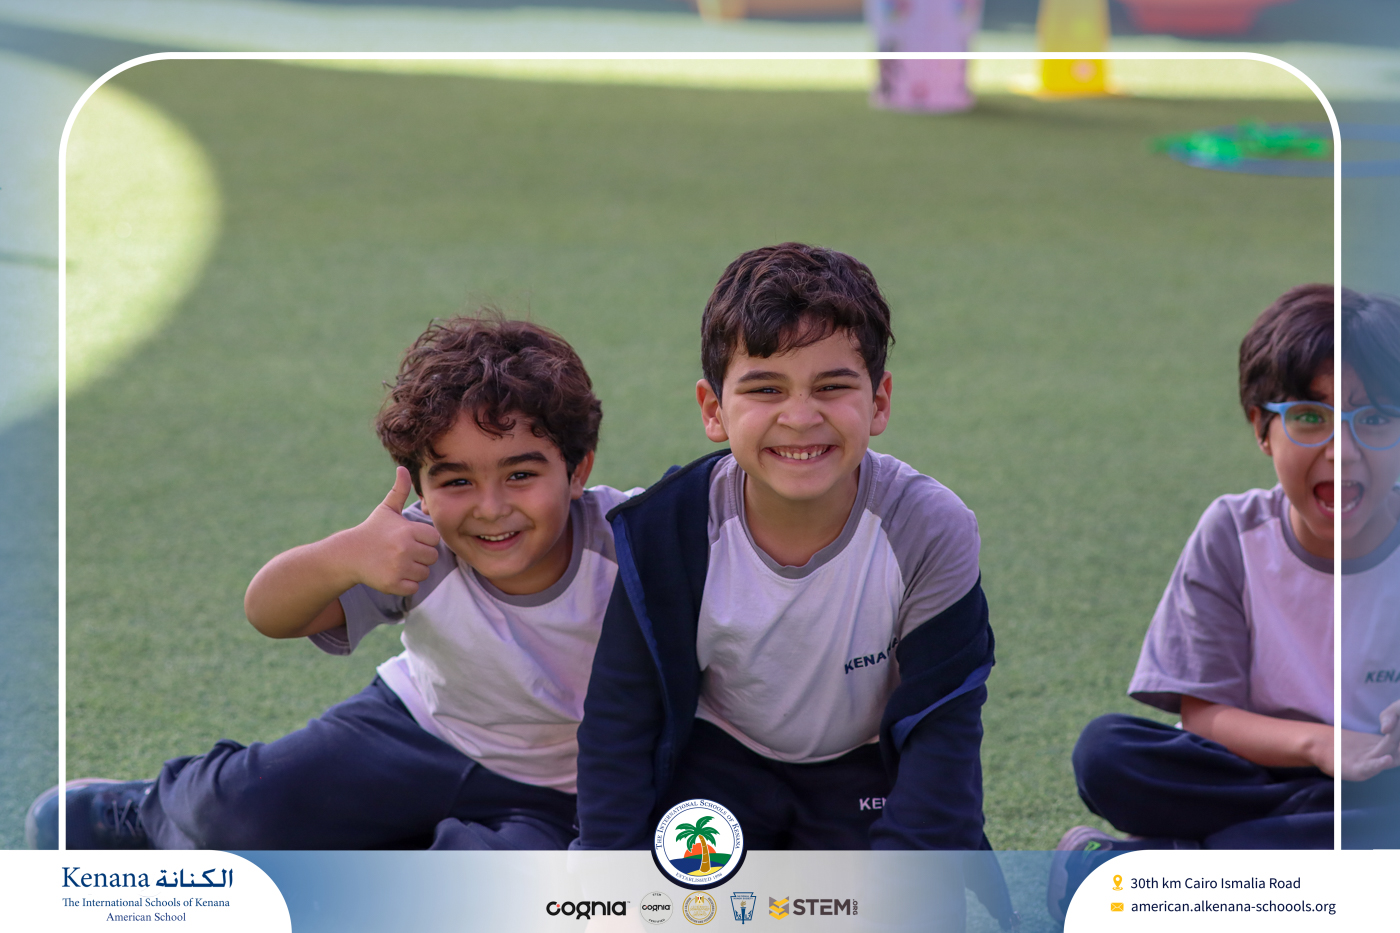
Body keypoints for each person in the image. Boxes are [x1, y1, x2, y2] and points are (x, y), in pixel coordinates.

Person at [28, 315, 635, 850]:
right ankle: (154, 809)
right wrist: (345, 557)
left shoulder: (633, 545)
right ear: (422, 490)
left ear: (577, 470)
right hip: (413, 730)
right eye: (456, 481)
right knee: (240, 813)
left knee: (490, 893)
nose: (491, 507)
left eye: (520, 474)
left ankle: (398, 847)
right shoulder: (416, 544)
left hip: (558, 793)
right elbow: (268, 612)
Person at [575, 243, 996, 855]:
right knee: (687, 901)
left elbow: (943, 728)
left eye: (832, 386)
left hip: (862, 771)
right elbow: (620, 723)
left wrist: (908, 881)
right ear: (714, 410)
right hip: (719, 768)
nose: (800, 417)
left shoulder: (929, 527)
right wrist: (612, 879)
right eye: (766, 389)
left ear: (878, 402)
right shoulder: (667, 528)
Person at [1048, 285, 1400, 918]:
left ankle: (1170, 868)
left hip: (1380, 786)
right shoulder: (1232, 533)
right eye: (1310, 416)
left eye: (1373, 419)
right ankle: (1276, 867)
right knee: (1108, 753)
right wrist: (1322, 746)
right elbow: (1205, 715)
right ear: (1262, 428)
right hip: (1251, 775)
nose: (1342, 450)